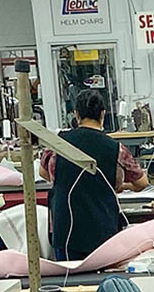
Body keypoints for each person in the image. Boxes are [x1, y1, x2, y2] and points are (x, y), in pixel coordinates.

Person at [48, 88, 125, 263]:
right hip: (103, 228)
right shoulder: (115, 147)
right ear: (103, 114)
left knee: (69, 281)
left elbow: (44, 172)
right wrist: (119, 184)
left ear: (76, 114)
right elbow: (141, 182)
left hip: (66, 229)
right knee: (104, 280)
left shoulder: (58, 143)